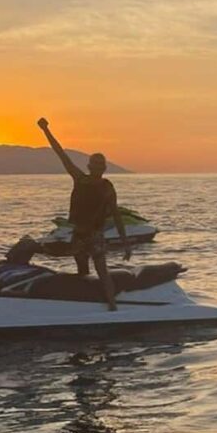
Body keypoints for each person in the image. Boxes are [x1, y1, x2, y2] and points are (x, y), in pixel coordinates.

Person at [37, 118, 131, 311]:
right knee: (86, 271)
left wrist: (125, 243)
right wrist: (45, 130)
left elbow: (116, 215)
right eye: (95, 164)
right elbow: (60, 153)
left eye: (99, 164)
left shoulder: (103, 187)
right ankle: (95, 305)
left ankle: (113, 307)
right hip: (80, 235)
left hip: (91, 236)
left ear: (102, 168)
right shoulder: (84, 180)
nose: (97, 167)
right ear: (91, 166)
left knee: (101, 271)